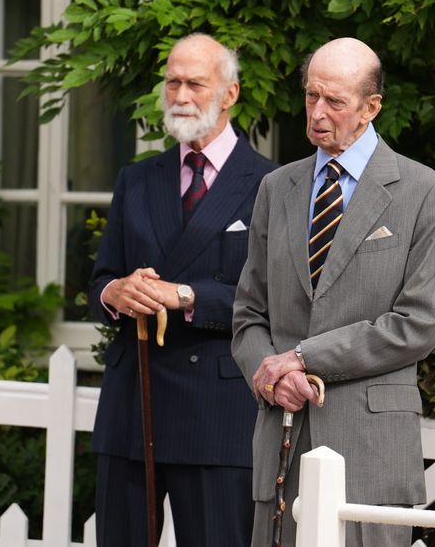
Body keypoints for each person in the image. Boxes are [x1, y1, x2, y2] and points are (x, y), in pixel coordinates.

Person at [231, 37, 435, 546]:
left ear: (370, 107)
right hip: (283, 444)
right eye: (312, 96)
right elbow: (248, 315)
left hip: (371, 456)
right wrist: (269, 377)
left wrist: (302, 357)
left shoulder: (425, 192)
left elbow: (419, 323)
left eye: (334, 101)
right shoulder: (277, 188)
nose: (317, 112)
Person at [90, 33, 277, 547]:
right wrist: (116, 293)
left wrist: (187, 296)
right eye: (172, 82)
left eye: (196, 83)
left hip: (217, 415)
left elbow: (278, 303)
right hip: (134, 406)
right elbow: (99, 281)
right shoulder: (137, 179)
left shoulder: (271, 184)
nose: (181, 95)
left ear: (230, 94)